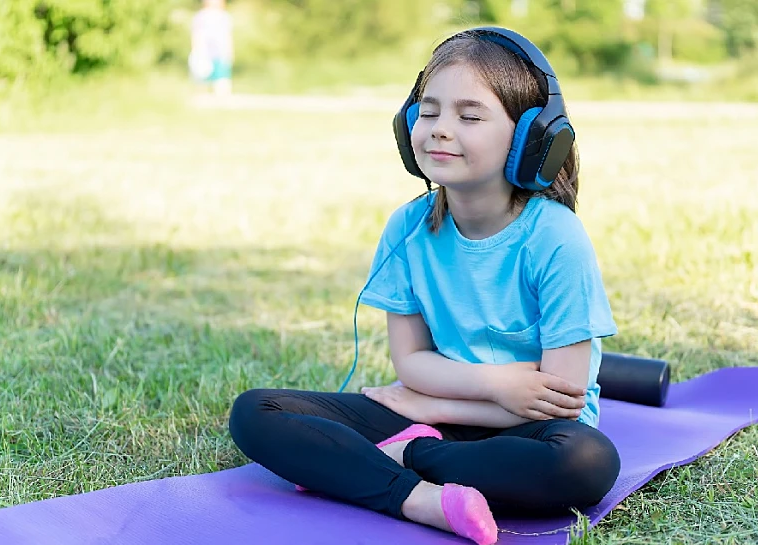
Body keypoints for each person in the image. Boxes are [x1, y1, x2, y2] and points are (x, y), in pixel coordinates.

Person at [228, 27, 621, 545]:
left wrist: (430, 410)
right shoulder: (407, 228)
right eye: (429, 111)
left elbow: (561, 401)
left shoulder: (556, 238)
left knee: (586, 462)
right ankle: (420, 500)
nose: (439, 128)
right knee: (256, 413)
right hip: (444, 409)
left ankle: (400, 460)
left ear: (531, 139)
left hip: (529, 431)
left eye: (469, 115)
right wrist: (500, 384)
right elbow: (411, 363)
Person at [189, 0, 234, 96]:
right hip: (204, 53)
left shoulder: (224, 17)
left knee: (222, 82)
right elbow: (196, 35)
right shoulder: (200, 17)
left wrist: (230, 52)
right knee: (202, 81)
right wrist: (196, 51)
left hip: (221, 53)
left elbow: (228, 36)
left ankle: (222, 103)